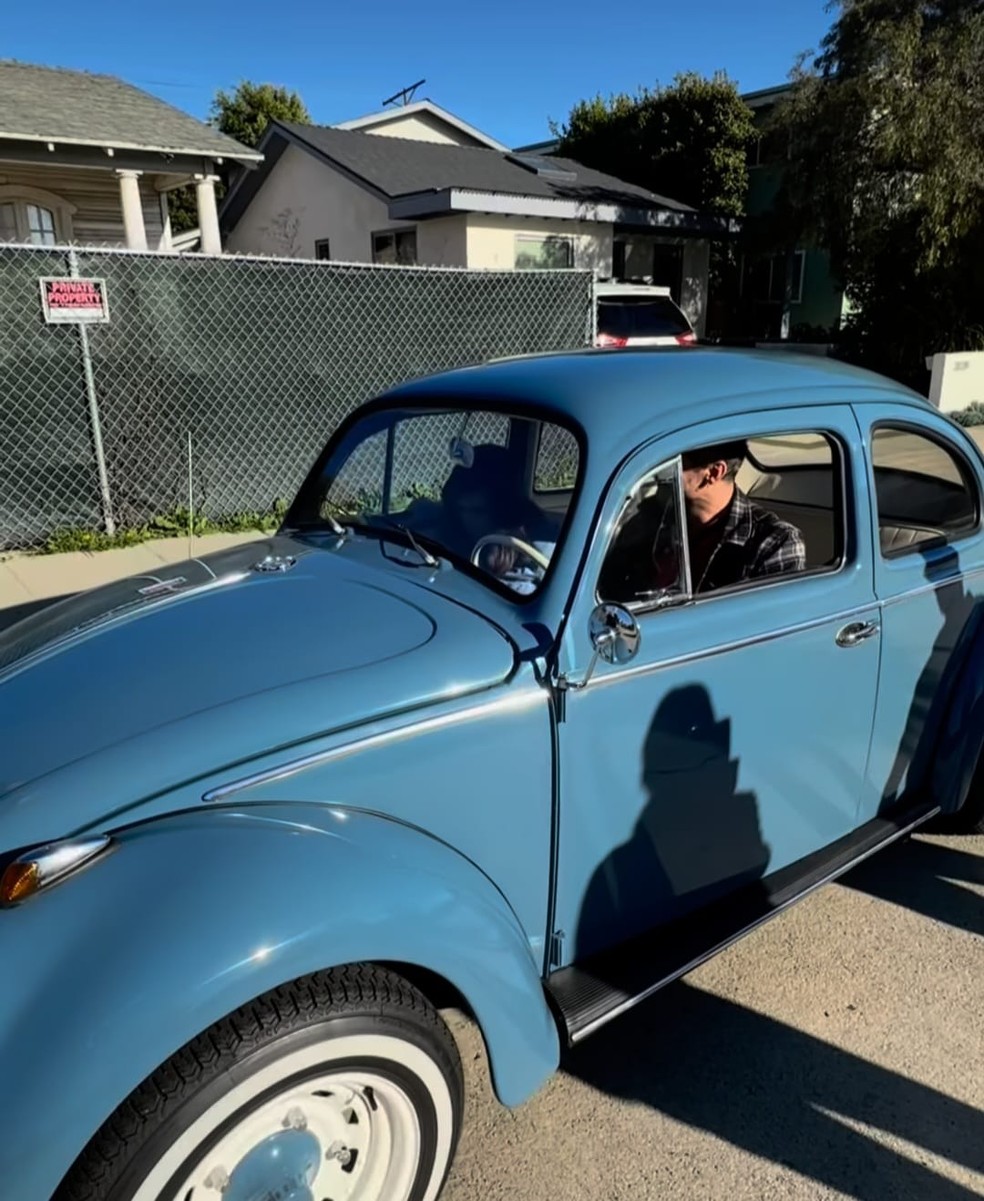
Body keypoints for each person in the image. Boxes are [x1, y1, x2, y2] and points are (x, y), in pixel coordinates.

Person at [601, 439, 805, 600]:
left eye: (678, 463)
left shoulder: (775, 542)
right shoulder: (653, 516)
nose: (662, 471)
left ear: (714, 473)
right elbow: (611, 584)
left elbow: (767, 629)